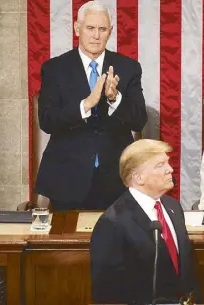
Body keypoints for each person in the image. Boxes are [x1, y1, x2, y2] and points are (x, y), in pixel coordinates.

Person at [35, 1, 147, 211]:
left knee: (116, 243)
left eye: (102, 29)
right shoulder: (54, 68)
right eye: (90, 28)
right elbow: (47, 121)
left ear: (110, 32)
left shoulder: (128, 67)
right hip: (66, 179)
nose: (96, 35)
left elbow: (139, 120)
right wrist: (85, 105)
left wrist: (115, 99)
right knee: (66, 243)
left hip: (116, 180)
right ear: (78, 29)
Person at [90, 139, 199, 304]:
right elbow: (107, 294)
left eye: (167, 163)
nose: (170, 170)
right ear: (139, 177)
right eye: (160, 165)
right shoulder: (112, 223)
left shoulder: (173, 207)